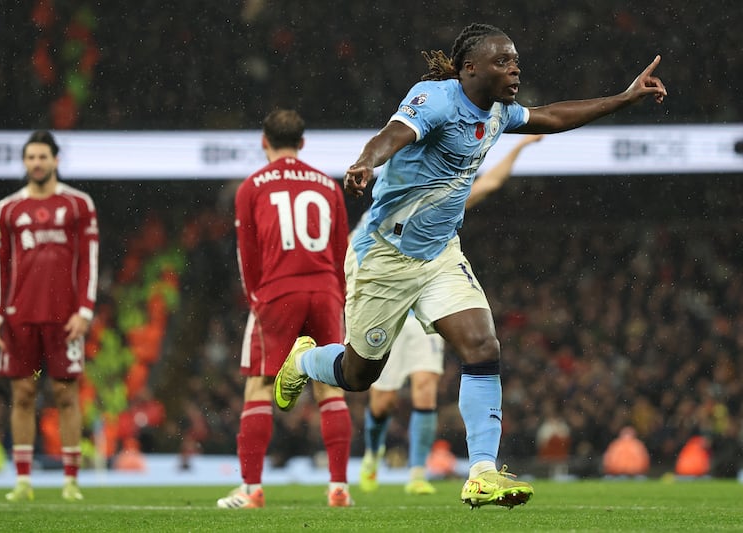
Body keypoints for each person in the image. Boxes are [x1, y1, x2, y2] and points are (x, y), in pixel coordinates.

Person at [274, 22, 666, 509]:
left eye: (516, 60)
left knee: (482, 345)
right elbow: (393, 133)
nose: (514, 67)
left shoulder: (499, 112)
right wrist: (365, 162)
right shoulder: (436, 98)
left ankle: (481, 471)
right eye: (503, 61)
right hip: (386, 256)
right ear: (469, 68)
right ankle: (306, 360)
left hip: (439, 253)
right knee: (359, 375)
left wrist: (625, 97)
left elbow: (553, 116)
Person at [360, 135, 543, 495]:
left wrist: (519, 147)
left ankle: (417, 474)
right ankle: (372, 453)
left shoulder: (444, 197)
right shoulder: (381, 211)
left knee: (426, 389)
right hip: (387, 297)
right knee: (380, 400)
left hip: (425, 301)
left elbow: (489, 182)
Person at [217, 109, 354, 509]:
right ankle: (339, 488)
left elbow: (248, 255)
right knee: (331, 385)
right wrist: (339, 296)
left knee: (259, 385)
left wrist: (256, 299)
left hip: (279, 292)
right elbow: (341, 248)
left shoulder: (251, 187)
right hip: (326, 289)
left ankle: (251, 490)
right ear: (303, 142)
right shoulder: (327, 185)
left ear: (264, 141)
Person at [0, 130, 99, 502]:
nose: (36, 163)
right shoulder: (8, 209)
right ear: (24, 162)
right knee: (23, 392)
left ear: (56, 160)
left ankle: (71, 480)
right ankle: (23, 481)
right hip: (20, 319)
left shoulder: (78, 204)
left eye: (42, 157)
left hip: (64, 319)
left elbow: (89, 261)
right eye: (31, 157)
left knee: (66, 393)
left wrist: (84, 309)